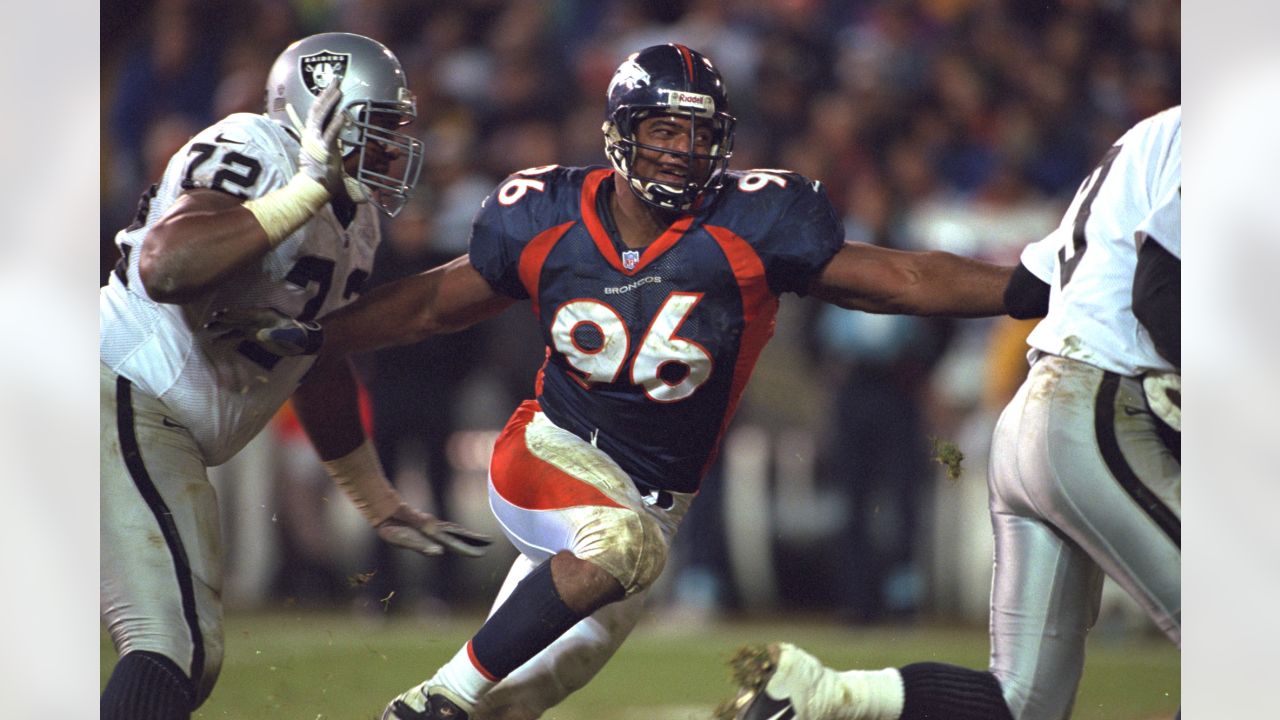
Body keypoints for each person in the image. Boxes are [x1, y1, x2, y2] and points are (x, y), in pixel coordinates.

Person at [235, 43, 1020, 720]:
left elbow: (905, 280)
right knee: (608, 558)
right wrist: (316, 336)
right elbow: (435, 303)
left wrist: (1035, 287)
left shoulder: (753, 225)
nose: (681, 149)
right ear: (622, 133)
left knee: (514, 698)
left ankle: (453, 703)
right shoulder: (544, 214)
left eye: (698, 132)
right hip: (546, 453)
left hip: (652, 507)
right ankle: (428, 700)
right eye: (663, 128)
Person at [721, 106, 1181, 720]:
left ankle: (821, 698)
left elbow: (1024, 288)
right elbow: (1159, 290)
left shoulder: (1152, 135)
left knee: (1021, 704)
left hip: (1038, 418)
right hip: (1100, 411)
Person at [99, 32, 492, 720]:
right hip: (122, 388)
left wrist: (373, 497)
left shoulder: (356, 215)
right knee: (172, 643)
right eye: (376, 126)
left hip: (154, 419)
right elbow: (166, 267)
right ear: (322, 113)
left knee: (178, 650)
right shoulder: (257, 148)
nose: (395, 145)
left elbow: (313, 357)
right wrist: (304, 191)